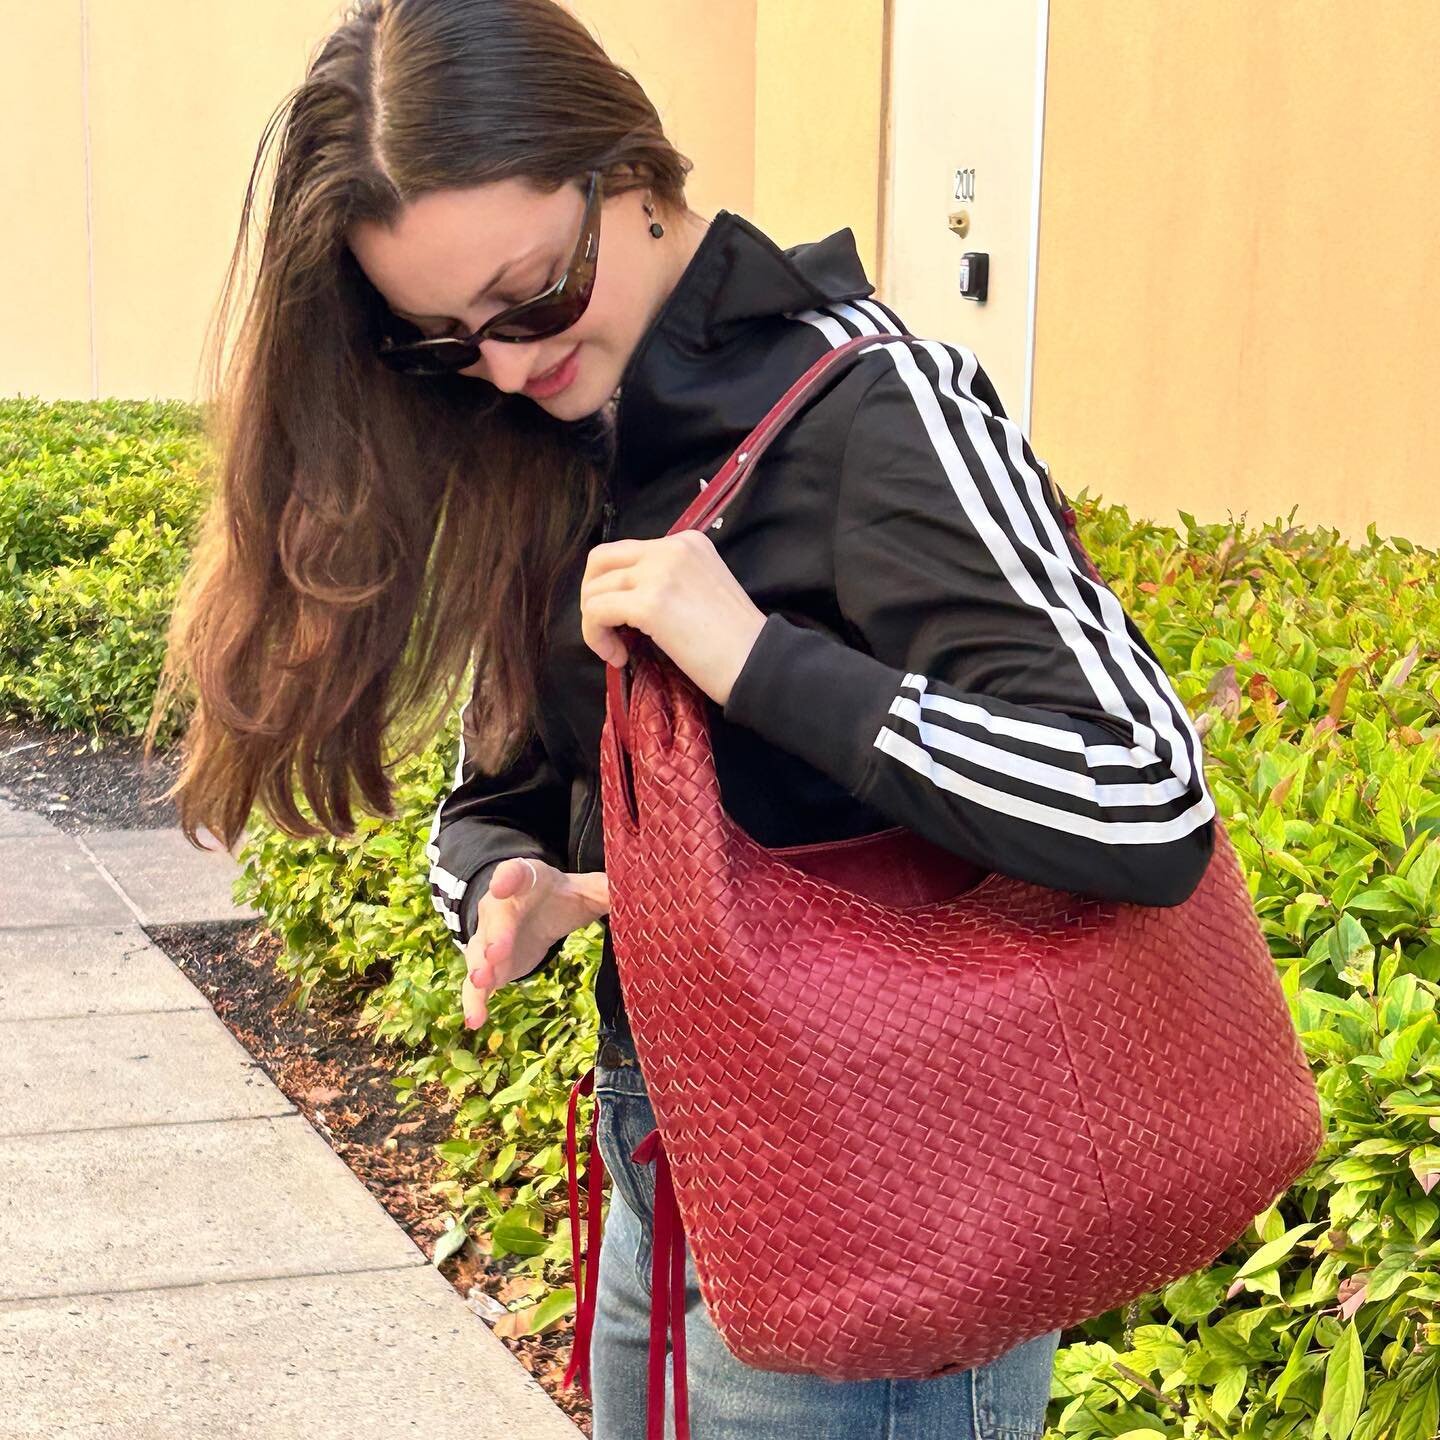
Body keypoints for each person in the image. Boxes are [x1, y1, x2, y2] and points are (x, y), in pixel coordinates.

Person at [156, 1, 1216, 1436]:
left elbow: (1145, 795)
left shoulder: (873, 407)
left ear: (635, 177)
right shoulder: (557, 450)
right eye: (441, 344)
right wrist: (502, 883)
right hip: (663, 1145)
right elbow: (503, 790)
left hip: (891, 1182)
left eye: (532, 296)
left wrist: (755, 656)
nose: (508, 365)